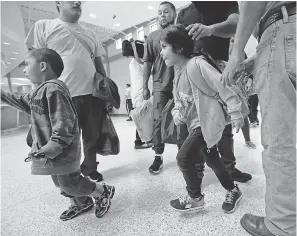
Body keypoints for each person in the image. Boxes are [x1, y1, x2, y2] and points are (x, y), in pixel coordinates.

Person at [1, 48, 115, 221]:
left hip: (62, 150)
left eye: (26, 64)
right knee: (60, 182)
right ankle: (80, 203)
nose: (23, 69)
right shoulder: (39, 92)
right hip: (52, 152)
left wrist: (53, 146)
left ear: (42, 66)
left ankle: (102, 191)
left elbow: (64, 122)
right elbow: (21, 101)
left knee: (70, 183)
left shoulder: (54, 89)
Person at [24, 1, 109, 220]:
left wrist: (107, 93)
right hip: (59, 99)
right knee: (60, 151)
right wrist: (36, 102)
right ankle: (79, 197)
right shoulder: (44, 26)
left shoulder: (90, 33)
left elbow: (99, 64)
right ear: (58, 3)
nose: (78, 2)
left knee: (90, 140)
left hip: (90, 96)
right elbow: (34, 62)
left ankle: (88, 178)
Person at [222, 2, 296, 235]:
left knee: (281, 141)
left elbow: (254, 2)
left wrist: (236, 52)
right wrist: (257, 57)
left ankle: (283, 226)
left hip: (281, 27)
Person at [160, 24, 244, 213]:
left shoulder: (197, 65)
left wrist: (236, 112)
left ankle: (195, 197)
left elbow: (222, 86)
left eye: (164, 47)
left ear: (179, 48)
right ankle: (233, 189)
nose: (161, 53)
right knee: (213, 160)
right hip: (196, 126)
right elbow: (178, 102)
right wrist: (176, 113)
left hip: (207, 122)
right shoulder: (177, 75)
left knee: (183, 157)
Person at [176, 1, 252, 182]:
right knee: (195, 124)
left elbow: (236, 24)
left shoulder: (224, 2)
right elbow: (177, 45)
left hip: (220, 71)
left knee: (225, 126)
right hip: (193, 76)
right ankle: (198, 169)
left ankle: (229, 169)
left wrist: (209, 29)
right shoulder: (184, 13)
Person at [143, 1, 175, 174]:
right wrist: (144, 86)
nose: (162, 15)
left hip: (180, 84)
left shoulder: (180, 33)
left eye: (166, 12)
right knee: (158, 120)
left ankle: (184, 153)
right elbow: (147, 63)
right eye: (160, 12)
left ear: (173, 14)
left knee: (183, 119)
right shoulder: (152, 37)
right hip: (160, 85)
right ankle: (158, 156)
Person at [123, 39, 153, 149]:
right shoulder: (138, 61)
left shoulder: (132, 62)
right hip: (140, 92)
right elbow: (142, 62)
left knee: (140, 116)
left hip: (136, 92)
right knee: (142, 117)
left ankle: (140, 140)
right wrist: (137, 46)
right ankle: (140, 140)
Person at [229, 36, 256, 149]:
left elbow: (250, 68)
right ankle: (225, 143)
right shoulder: (220, 53)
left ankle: (247, 139)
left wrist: (249, 80)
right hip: (224, 85)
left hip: (239, 86)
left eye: (236, 40)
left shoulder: (242, 53)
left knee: (243, 112)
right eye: (231, 40)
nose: (234, 43)